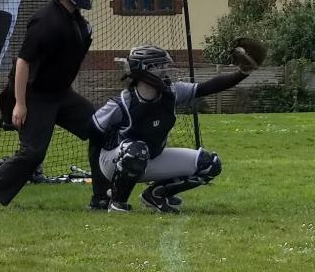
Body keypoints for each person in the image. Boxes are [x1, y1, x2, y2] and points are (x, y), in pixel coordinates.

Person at [0, 0, 96, 209]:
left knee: (100, 128)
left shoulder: (77, 20)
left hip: (61, 94)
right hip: (36, 95)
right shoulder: (46, 21)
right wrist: (20, 103)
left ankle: (102, 197)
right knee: (32, 153)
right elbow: (22, 62)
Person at [88, 44, 258, 213]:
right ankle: (118, 203)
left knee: (210, 164)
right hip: (114, 162)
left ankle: (156, 194)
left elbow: (208, 87)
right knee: (137, 150)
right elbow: (93, 133)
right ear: (146, 70)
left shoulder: (172, 92)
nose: (166, 70)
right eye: (161, 66)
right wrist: (101, 187)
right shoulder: (122, 103)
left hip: (151, 157)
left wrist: (243, 72)